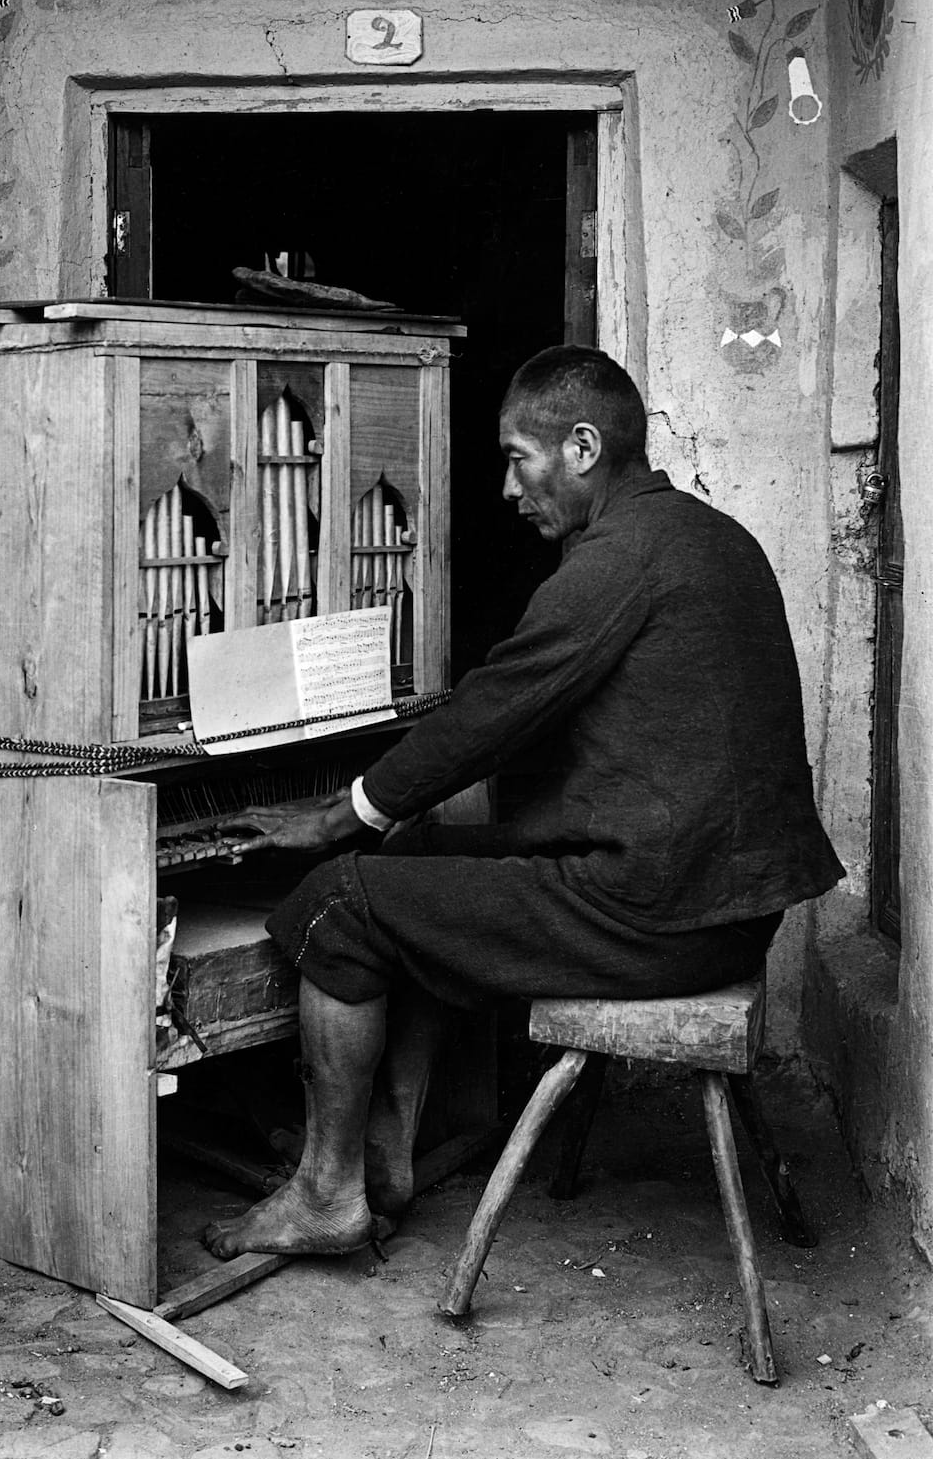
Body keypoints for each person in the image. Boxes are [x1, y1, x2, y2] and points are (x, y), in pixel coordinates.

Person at [203, 345, 843, 1263]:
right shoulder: (713, 536)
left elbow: (495, 708)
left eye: (516, 458)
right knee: (411, 870)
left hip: (657, 915)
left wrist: (344, 812)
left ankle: (324, 1193)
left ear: (582, 447)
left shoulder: (617, 560)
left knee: (341, 901)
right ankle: (385, 1153)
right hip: (724, 910)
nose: (508, 488)